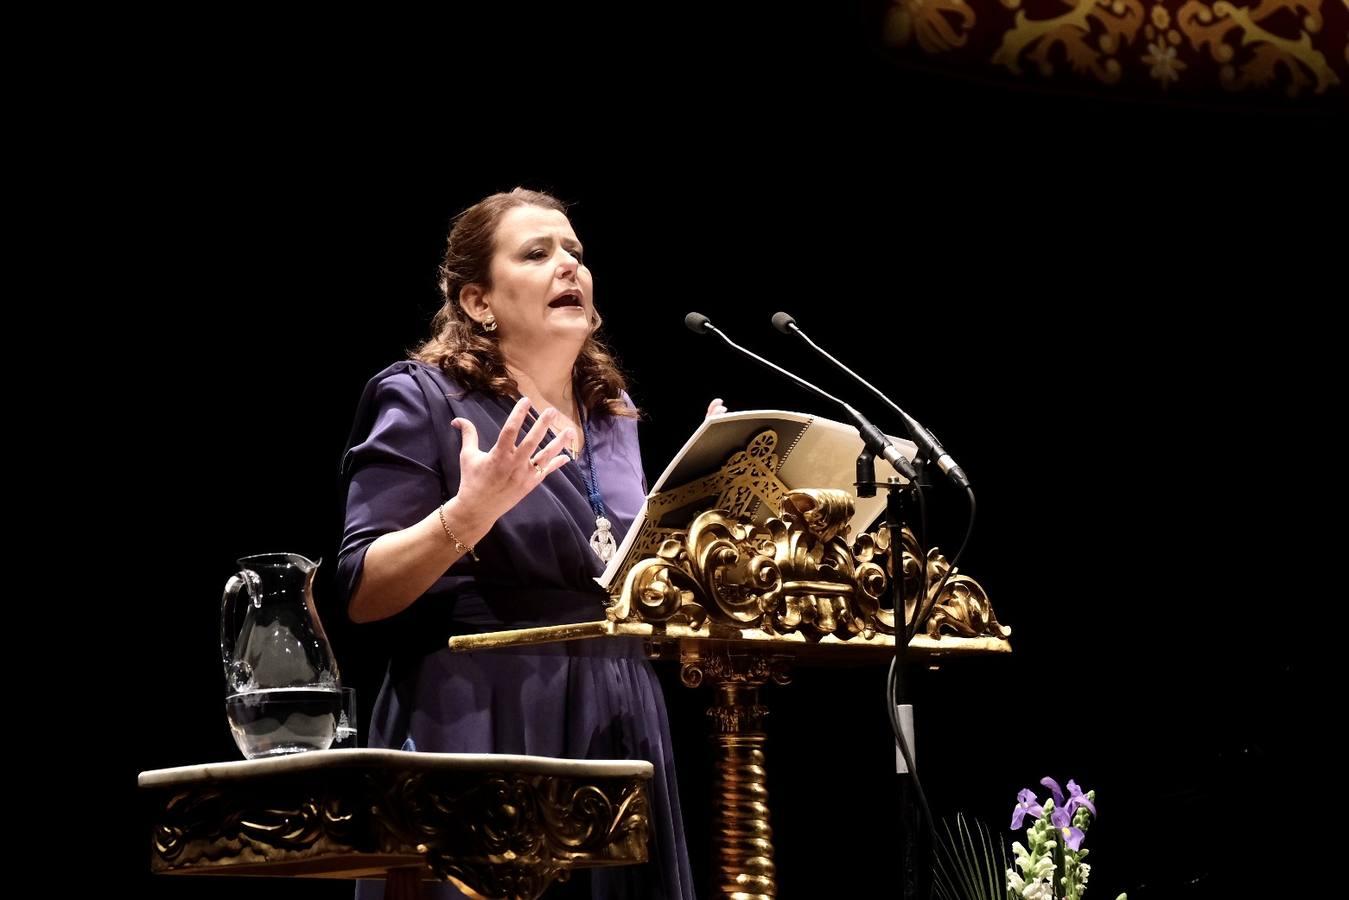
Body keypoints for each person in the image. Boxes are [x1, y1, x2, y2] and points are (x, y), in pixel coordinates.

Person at [338, 188, 712, 899]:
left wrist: (707, 494)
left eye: (575, 252)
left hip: (618, 708)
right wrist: (467, 515)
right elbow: (361, 591)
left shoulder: (613, 418)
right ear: (478, 302)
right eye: (537, 254)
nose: (567, 265)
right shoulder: (423, 399)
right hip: (483, 709)